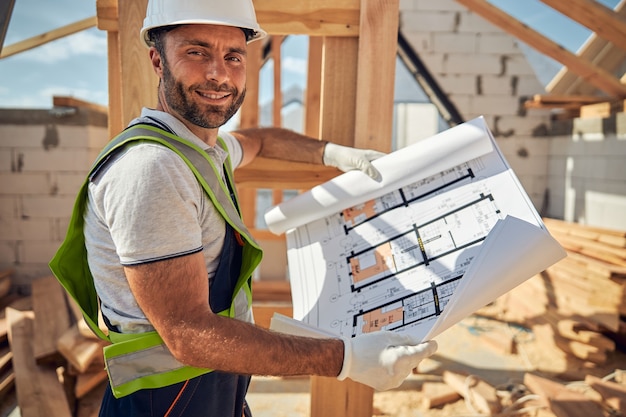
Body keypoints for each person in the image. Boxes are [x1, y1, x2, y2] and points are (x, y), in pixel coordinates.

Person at [49, 0, 438, 415]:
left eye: (233, 56)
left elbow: (259, 141)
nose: (218, 72)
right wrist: (345, 359)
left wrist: (334, 154)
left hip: (211, 387)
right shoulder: (154, 168)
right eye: (196, 52)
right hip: (165, 400)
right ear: (157, 60)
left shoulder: (198, 151)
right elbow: (189, 335)